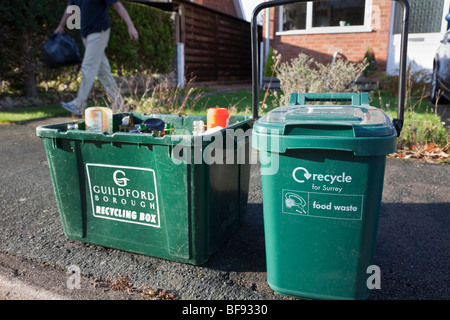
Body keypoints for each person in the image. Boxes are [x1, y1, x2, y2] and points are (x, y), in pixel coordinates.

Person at [55, 0, 138, 115]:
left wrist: (131, 26)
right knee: (102, 71)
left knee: (88, 66)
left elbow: (117, 5)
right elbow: (70, 8)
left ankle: (79, 104)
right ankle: (119, 103)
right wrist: (61, 26)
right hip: (86, 34)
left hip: (99, 31)